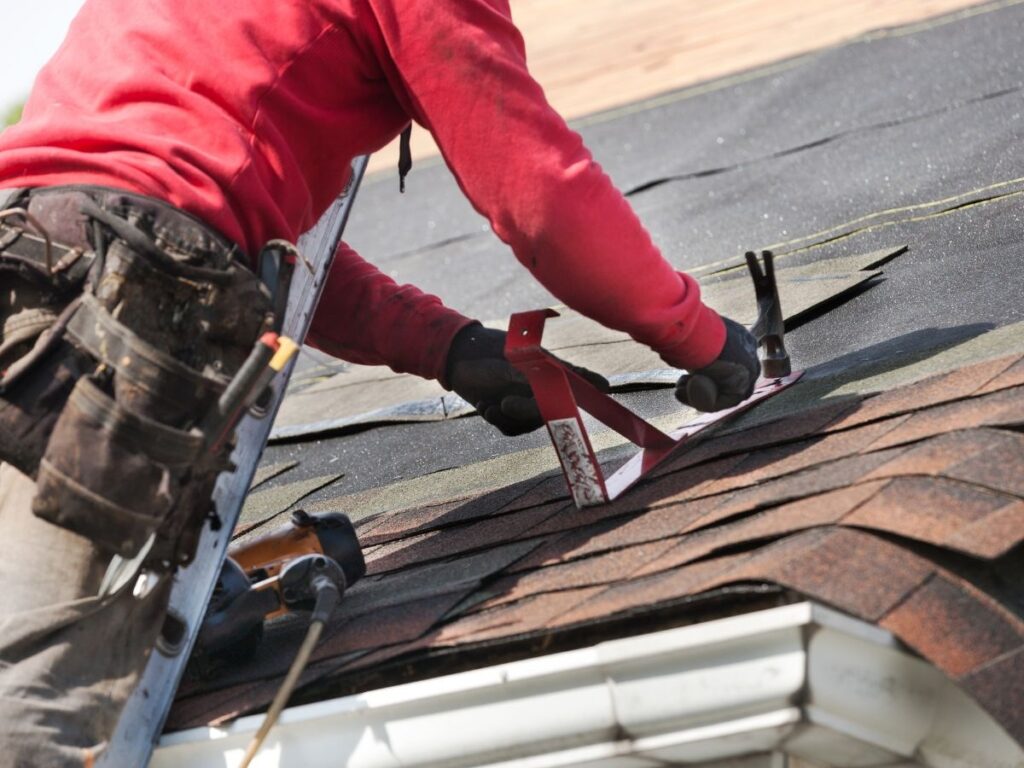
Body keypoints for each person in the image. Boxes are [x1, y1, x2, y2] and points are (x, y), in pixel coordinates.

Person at [0, 0, 760, 763]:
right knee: (32, 705)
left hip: (28, 270)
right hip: (128, 317)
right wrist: (693, 333)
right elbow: (539, 195)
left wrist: (448, 347)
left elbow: (227, 231)